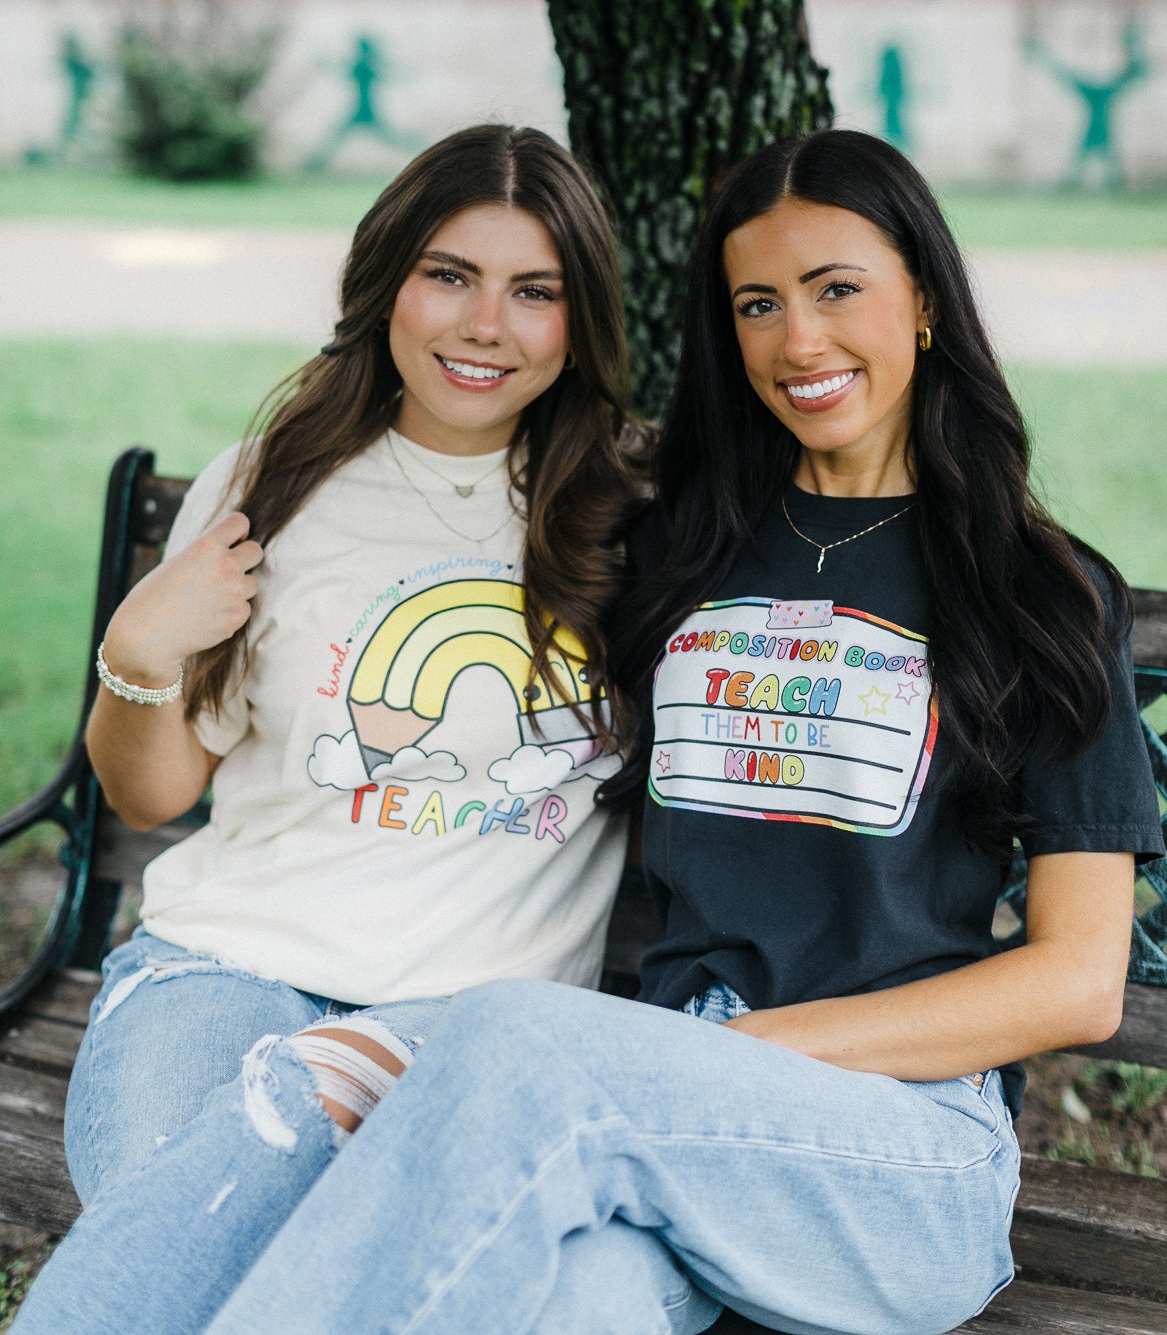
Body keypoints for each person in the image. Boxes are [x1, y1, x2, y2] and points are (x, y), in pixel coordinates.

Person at [21, 130, 1164, 1335]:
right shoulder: (677, 550)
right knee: (568, 1303)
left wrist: (737, 1053)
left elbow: (1080, 983)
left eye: (839, 289)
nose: (800, 340)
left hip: (893, 1134)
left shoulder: (1039, 592)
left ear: (924, 300)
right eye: (759, 305)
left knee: (509, 1042)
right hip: (656, 1132)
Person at [17, 123, 643, 1331]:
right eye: (449, 275)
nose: (486, 325)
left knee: (251, 1245)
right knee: (179, 1221)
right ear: (387, 280)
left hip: (466, 1023)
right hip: (220, 970)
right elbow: (153, 796)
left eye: (535, 291)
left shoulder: (636, 512)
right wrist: (137, 657)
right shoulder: (270, 483)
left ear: (582, 321)